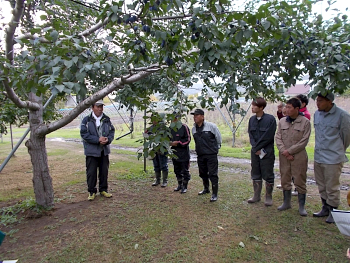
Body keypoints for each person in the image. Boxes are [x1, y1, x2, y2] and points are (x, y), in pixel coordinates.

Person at [313, 92, 350, 223]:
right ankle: (325, 208)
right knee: (321, 184)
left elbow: (346, 137)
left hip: (333, 158)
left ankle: (333, 211)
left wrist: (338, 149)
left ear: (330, 102)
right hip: (319, 156)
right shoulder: (317, 114)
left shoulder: (342, 115)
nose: (317, 103)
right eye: (317, 100)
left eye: (321, 101)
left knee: (332, 186)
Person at [275, 98, 311, 216]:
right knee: (285, 178)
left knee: (300, 179)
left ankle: (301, 206)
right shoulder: (282, 121)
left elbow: (304, 141)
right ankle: (286, 202)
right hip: (284, 156)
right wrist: (284, 151)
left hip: (298, 156)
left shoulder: (305, 122)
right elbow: (278, 137)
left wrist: (290, 151)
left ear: (297, 109)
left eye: (290, 107)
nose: (287, 109)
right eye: (286, 107)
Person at [80, 100, 115, 201]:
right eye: (98, 106)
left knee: (104, 171)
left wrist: (108, 139)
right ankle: (92, 191)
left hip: (104, 151)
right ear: (92, 107)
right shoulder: (86, 120)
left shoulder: (107, 119)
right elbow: (84, 134)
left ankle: (103, 190)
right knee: (91, 172)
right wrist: (97, 140)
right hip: (91, 151)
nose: (100, 109)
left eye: (101, 107)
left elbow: (112, 131)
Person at [247, 97, 276, 206]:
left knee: (268, 173)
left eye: (254, 105)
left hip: (266, 151)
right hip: (255, 152)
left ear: (261, 107)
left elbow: (268, 136)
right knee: (255, 172)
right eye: (252, 105)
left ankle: (268, 196)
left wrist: (259, 148)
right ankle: (256, 195)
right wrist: (255, 148)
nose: (252, 107)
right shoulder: (252, 120)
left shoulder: (270, 119)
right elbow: (251, 134)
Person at [191, 109, 222, 202]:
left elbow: (218, 138)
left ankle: (214, 194)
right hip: (200, 155)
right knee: (202, 173)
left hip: (211, 154)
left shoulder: (211, 127)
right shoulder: (194, 129)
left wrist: (215, 149)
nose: (195, 117)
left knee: (213, 174)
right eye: (194, 115)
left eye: (197, 115)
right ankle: (206, 188)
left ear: (202, 116)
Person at [145, 114, 169, 187]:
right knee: (156, 165)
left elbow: (167, 138)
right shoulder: (151, 128)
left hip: (162, 148)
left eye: (155, 119)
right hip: (154, 149)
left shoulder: (164, 128)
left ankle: (165, 181)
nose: (154, 121)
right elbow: (147, 137)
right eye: (152, 119)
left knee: (163, 165)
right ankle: (157, 180)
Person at [170, 112, 191, 194]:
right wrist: (169, 143)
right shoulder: (171, 128)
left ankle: (185, 186)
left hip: (183, 154)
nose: (172, 120)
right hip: (174, 153)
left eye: (173, 118)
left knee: (185, 170)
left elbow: (188, 139)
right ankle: (179, 184)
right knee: (177, 170)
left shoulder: (184, 127)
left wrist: (178, 142)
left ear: (177, 119)